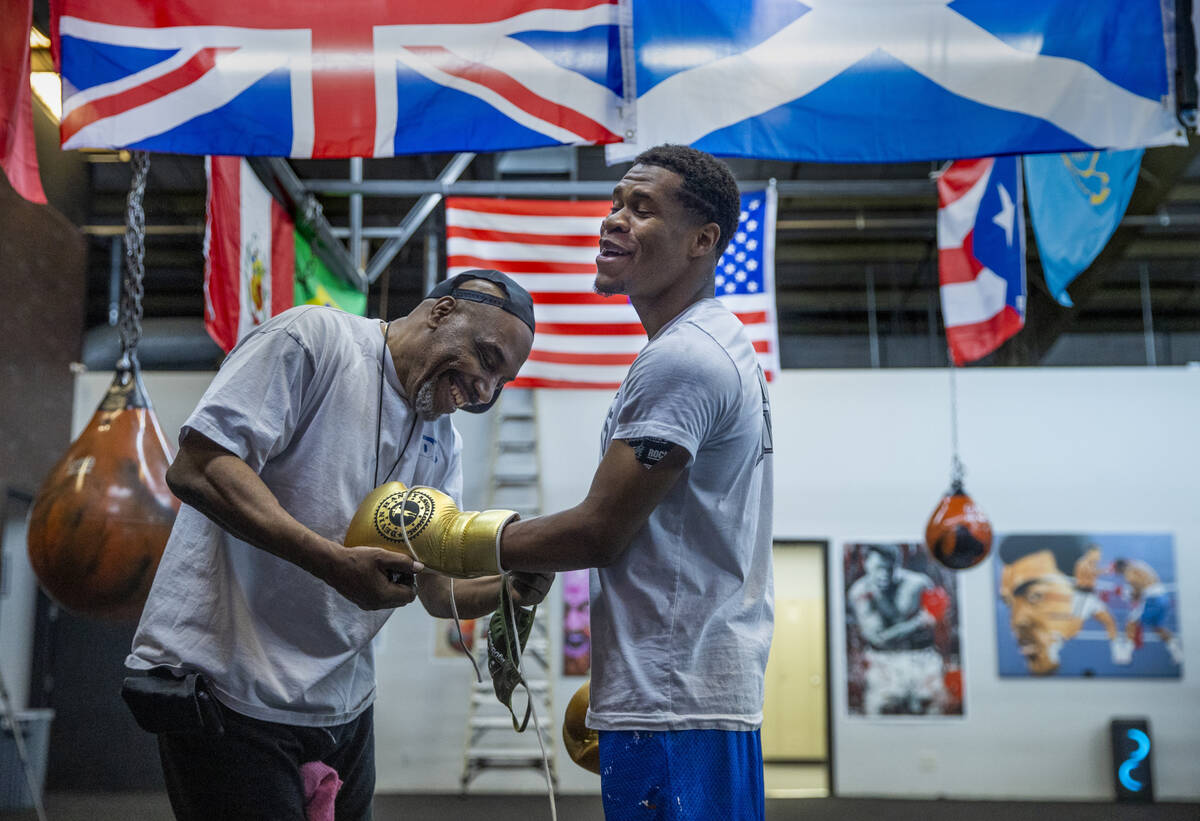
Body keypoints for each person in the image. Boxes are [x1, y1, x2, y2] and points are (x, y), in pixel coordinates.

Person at [354, 144, 774, 820]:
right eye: (615, 204)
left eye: (642, 209)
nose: (613, 220)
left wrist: (451, 536)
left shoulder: (684, 359)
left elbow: (599, 532)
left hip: (673, 704)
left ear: (703, 240)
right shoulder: (711, 344)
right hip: (683, 693)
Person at [125, 270, 552, 821]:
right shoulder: (315, 341)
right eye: (487, 359)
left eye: (502, 383)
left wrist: (509, 588)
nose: (485, 392)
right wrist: (331, 562)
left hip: (341, 707)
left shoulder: (442, 442)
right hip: (230, 690)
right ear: (441, 312)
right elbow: (200, 468)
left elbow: (437, 591)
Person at [846, 544, 949, 715]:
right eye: (878, 568)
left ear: (897, 565)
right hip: (882, 661)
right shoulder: (860, 592)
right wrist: (917, 623)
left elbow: (938, 625)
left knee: (933, 713)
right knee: (878, 716)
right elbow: (878, 638)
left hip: (922, 658)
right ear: (866, 564)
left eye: (889, 569)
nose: (884, 575)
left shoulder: (919, 584)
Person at [1112, 557, 1184, 666]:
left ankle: (1125, 656)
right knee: (1157, 627)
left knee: (1131, 623)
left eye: (1117, 571)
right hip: (1163, 598)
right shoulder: (1140, 565)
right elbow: (1149, 582)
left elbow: (1139, 587)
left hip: (1152, 600)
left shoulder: (1129, 572)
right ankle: (1178, 653)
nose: (1118, 573)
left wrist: (1129, 595)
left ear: (1120, 567)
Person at [1072, 545, 1129, 664]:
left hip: (1092, 598)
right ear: (1090, 553)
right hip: (1082, 598)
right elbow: (1091, 573)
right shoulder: (1082, 563)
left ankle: (1118, 654)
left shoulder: (1092, 564)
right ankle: (1051, 645)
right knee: (1073, 628)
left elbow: (1094, 578)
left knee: (1110, 621)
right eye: (1097, 553)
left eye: (1100, 554)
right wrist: (1109, 569)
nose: (1099, 556)